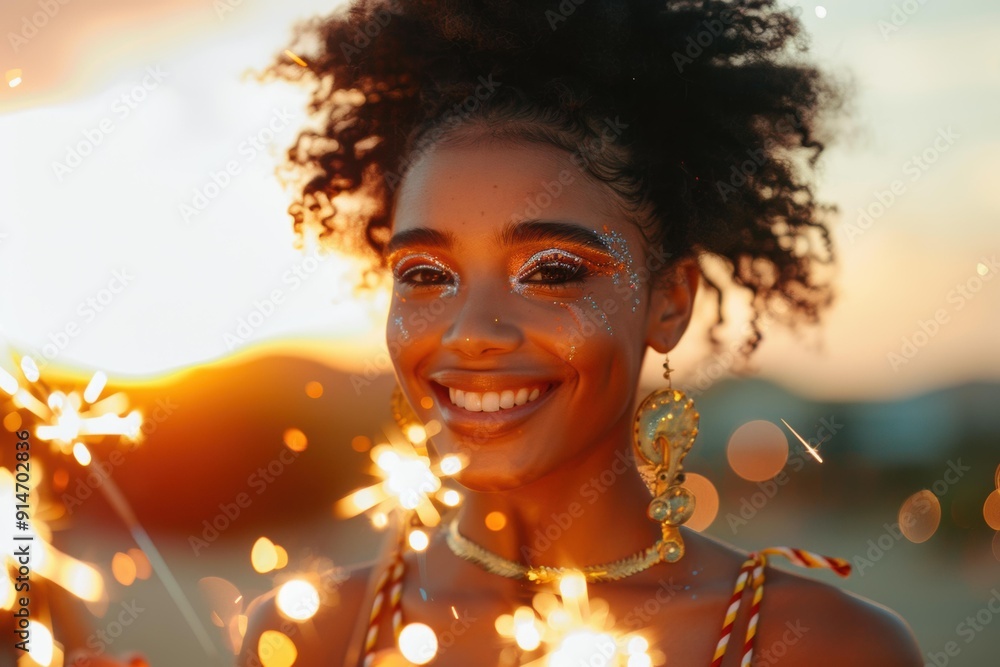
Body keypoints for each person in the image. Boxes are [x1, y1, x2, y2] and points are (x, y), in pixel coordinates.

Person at [240, 1, 923, 664]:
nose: (472, 332)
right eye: (425, 273)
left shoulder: (821, 647)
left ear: (670, 300)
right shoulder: (313, 636)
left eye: (553, 271)